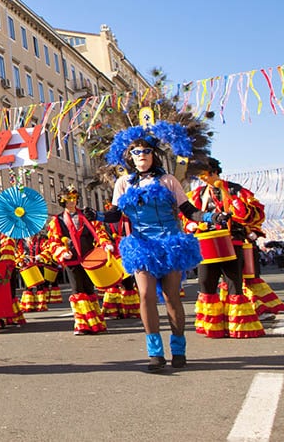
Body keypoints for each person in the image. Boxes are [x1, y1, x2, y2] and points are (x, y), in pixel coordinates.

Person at [103, 127, 204, 371]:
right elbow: (114, 215)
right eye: (136, 152)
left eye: (146, 151)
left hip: (169, 243)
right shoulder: (123, 183)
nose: (142, 155)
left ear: (153, 154)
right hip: (142, 245)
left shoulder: (168, 180)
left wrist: (211, 216)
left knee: (171, 297)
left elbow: (188, 210)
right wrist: (94, 214)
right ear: (130, 156)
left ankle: (178, 349)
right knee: (146, 295)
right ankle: (155, 352)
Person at [187, 159, 265, 338]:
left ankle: (237, 327)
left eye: (204, 174)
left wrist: (239, 211)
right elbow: (189, 215)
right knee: (206, 283)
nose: (202, 178)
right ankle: (213, 327)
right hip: (207, 243)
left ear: (213, 172)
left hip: (232, 242)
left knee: (233, 284)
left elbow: (255, 212)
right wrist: (191, 225)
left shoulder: (234, 190)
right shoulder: (197, 194)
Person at [44, 186, 110, 335]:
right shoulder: (57, 220)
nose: (71, 203)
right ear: (63, 202)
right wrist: (62, 251)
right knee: (77, 290)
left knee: (89, 289)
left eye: (73, 199)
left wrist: (105, 244)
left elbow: (98, 232)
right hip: (72, 260)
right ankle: (82, 323)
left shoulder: (86, 216)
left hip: (89, 258)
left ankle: (95, 322)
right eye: (68, 200)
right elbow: (53, 240)